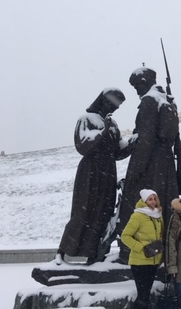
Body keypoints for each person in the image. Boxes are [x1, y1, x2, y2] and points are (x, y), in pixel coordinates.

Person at [57, 88, 129, 265]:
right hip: (90, 171)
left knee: (103, 213)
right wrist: (103, 131)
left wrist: (134, 142)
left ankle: (94, 254)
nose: (115, 108)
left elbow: (117, 151)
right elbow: (82, 145)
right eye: (114, 104)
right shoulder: (87, 119)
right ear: (104, 101)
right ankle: (61, 253)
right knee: (83, 212)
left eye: (118, 106)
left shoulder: (112, 123)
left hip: (108, 172)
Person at [119, 67, 180, 262]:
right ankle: (164, 247)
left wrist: (137, 167)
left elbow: (145, 137)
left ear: (144, 82)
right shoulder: (167, 100)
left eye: (137, 86)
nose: (137, 91)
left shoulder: (149, 101)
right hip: (165, 162)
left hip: (150, 162)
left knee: (135, 201)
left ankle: (131, 249)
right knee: (163, 202)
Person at [121, 189, 164, 309]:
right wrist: (142, 247)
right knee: (143, 295)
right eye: (150, 199)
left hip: (153, 259)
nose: (153, 201)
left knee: (146, 294)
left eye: (155, 199)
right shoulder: (138, 215)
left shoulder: (158, 215)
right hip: (140, 261)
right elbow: (125, 236)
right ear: (144, 201)